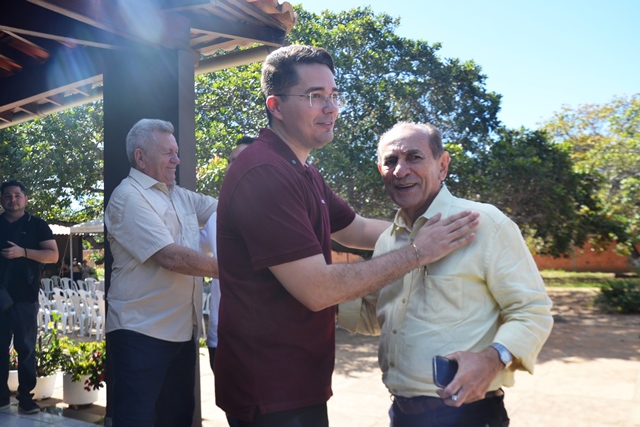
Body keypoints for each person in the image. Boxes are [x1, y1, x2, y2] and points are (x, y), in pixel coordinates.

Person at [214, 44, 480, 426]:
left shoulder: (302, 170)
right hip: (270, 386)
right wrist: (419, 251)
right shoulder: (265, 174)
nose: (331, 108)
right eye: (315, 96)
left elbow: (356, 229)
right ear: (275, 106)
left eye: (334, 95)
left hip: (296, 378)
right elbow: (318, 289)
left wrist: (440, 227)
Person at [338, 122, 554, 427]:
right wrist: (319, 293)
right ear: (380, 170)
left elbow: (533, 310)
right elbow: (378, 316)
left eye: (414, 157)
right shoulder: (388, 241)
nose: (400, 170)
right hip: (401, 414)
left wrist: (493, 359)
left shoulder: (485, 223)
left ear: (442, 165)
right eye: (390, 161)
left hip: (467, 413)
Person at [105, 118, 219, 427]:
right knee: (137, 421)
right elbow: (170, 257)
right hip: (141, 333)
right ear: (140, 157)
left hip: (182, 332)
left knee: (177, 419)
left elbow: (226, 210)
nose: (176, 160)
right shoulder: (127, 196)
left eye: (176, 152)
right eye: (168, 152)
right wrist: (240, 271)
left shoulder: (179, 195)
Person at [201, 135, 255, 427]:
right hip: (220, 338)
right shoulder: (215, 217)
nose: (234, 166)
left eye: (242, 160)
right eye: (231, 161)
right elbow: (190, 249)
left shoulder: (281, 210)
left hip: (264, 340)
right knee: (235, 417)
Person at [0, 180, 58, 414]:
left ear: (25, 199)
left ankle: (26, 397)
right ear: (2, 199)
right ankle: (1, 396)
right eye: (7, 195)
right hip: (0, 297)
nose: (12, 199)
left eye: (17, 195)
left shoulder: (37, 225)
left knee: (26, 349)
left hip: (25, 296)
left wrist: (22, 252)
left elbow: (52, 255)